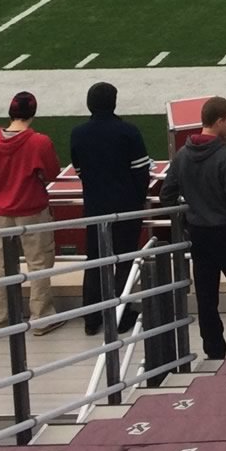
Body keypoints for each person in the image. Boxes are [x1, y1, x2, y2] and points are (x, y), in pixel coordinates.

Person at [159, 96, 226, 359]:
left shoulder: (183, 156)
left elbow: (166, 194)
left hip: (200, 235)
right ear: (219, 121)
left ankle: (214, 351)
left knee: (207, 299)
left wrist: (190, 215)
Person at [0, 91, 62, 332]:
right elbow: (52, 173)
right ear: (32, 113)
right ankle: (41, 318)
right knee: (39, 265)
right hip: (33, 210)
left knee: (1, 266)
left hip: (2, 212)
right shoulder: (39, 142)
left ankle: (0, 317)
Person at [68, 82, 151, 335]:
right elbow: (141, 171)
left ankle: (91, 318)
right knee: (124, 261)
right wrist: (136, 199)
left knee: (94, 261)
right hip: (125, 207)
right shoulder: (127, 131)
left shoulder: (78, 133)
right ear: (114, 102)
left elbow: (80, 170)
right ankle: (121, 314)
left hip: (94, 207)